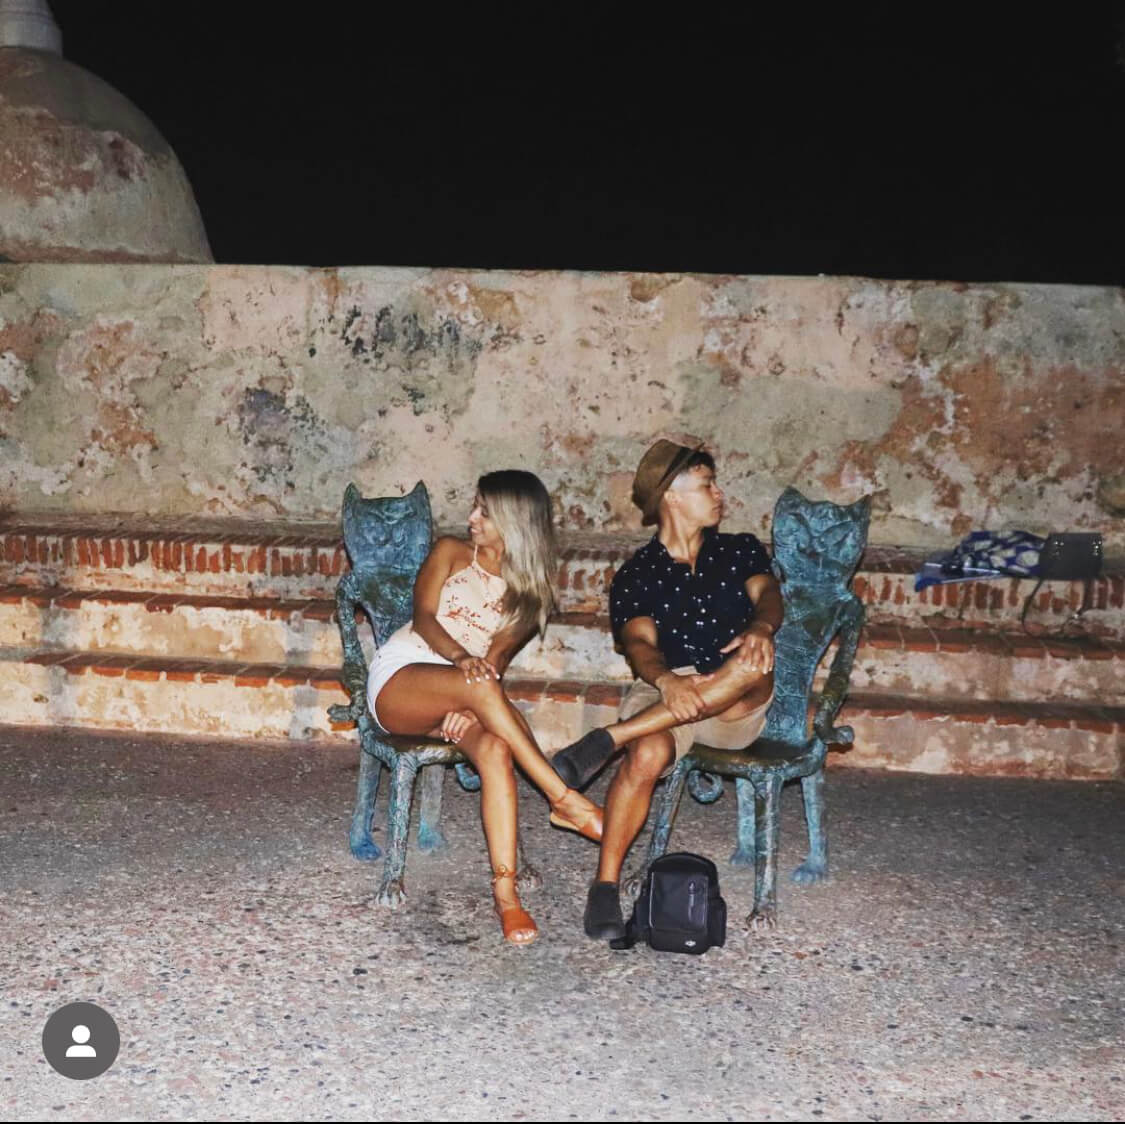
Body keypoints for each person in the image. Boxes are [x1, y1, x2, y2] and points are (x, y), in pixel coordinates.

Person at [551, 439, 783, 941]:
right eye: (707, 484)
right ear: (672, 496)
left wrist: (762, 629)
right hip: (666, 694)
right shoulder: (638, 573)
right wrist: (667, 680)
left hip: (734, 702)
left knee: (751, 665)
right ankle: (605, 888)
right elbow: (638, 643)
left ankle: (608, 740)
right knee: (647, 755)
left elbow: (768, 597)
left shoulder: (740, 550)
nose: (719, 494)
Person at [367, 469, 603, 947]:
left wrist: (470, 703)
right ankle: (561, 797)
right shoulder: (452, 552)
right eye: (474, 507)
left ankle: (507, 895)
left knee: (495, 749)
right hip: (403, 678)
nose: (472, 518)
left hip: (466, 692)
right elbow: (424, 617)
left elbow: (493, 664)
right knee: (478, 690)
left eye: (485, 512)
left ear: (515, 522)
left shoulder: (529, 593)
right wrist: (459, 663)